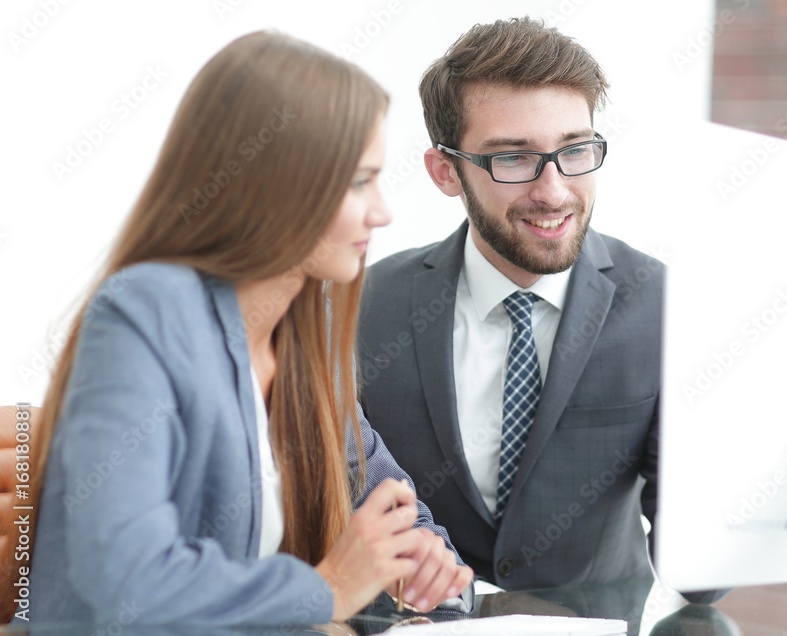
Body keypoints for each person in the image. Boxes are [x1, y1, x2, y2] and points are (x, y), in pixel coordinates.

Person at [22, 31, 472, 626]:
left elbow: (391, 512)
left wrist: (424, 565)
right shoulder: (145, 313)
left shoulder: (303, 337)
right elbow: (126, 575)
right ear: (278, 182)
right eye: (360, 181)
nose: (383, 212)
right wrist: (329, 585)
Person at [357, 17, 663, 590]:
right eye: (513, 159)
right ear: (446, 171)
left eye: (575, 149)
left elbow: (703, 573)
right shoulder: (364, 309)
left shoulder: (664, 306)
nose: (553, 190)